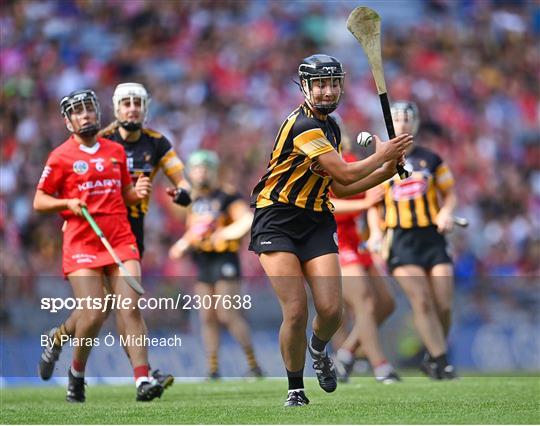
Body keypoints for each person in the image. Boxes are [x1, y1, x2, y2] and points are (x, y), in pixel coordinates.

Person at [249, 54, 413, 406]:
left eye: (333, 83)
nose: (327, 91)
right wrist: (384, 154)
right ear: (305, 87)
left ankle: (318, 350)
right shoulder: (302, 125)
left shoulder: (333, 127)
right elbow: (345, 174)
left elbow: (339, 190)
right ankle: (295, 388)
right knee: (295, 309)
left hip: (316, 219)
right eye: (320, 84)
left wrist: (387, 173)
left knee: (332, 311)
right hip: (276, 219)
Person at [38, 83, 191, 390]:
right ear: (116, 108)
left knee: (125, 305)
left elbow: (182, 179)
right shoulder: (100, 137)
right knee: (96, 310)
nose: (132, 108)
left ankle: (142, 375)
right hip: (91, 232)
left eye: (137, 102)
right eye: (126, 103)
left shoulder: (157, 143)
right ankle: (70, 348)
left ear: (145, 108)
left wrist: (184, 193)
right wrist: (70, 211)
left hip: (129, 232)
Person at [367, 100, 458, 380]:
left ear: (415, 124)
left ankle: (433, 355)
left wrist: (446, 212)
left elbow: (450, 193)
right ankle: (442, 362)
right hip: (401, 240)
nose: (403, 124)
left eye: (408, 119)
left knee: (443, 304)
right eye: (398, 119)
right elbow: (373, 204)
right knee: (421, 300)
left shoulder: (431, 159)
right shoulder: (381, 162)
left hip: (432, 238)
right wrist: (375, 234)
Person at [169, 150, 262, 379]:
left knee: (227, 314)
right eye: (196, 169)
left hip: (224, 259)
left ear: (213, 171)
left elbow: (246, 221)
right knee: (207, 317)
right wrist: (183, 245)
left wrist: (223, 235)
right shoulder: (193, 200)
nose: (200, 173)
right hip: (203, 260)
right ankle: (212, 368)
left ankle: (253, 365)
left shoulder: (227, 195)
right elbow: (193, 230)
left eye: (204, 168)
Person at [329, 130, 400, 384]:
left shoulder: (347, 159)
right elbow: (329, 207)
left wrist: (376, 235)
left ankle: (346, 353)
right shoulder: (315, 165)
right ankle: (381, 366)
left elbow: (372, 197)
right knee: (364, 304)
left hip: (356, 241)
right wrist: (364, 205)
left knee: (386, 303)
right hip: (332, 241)